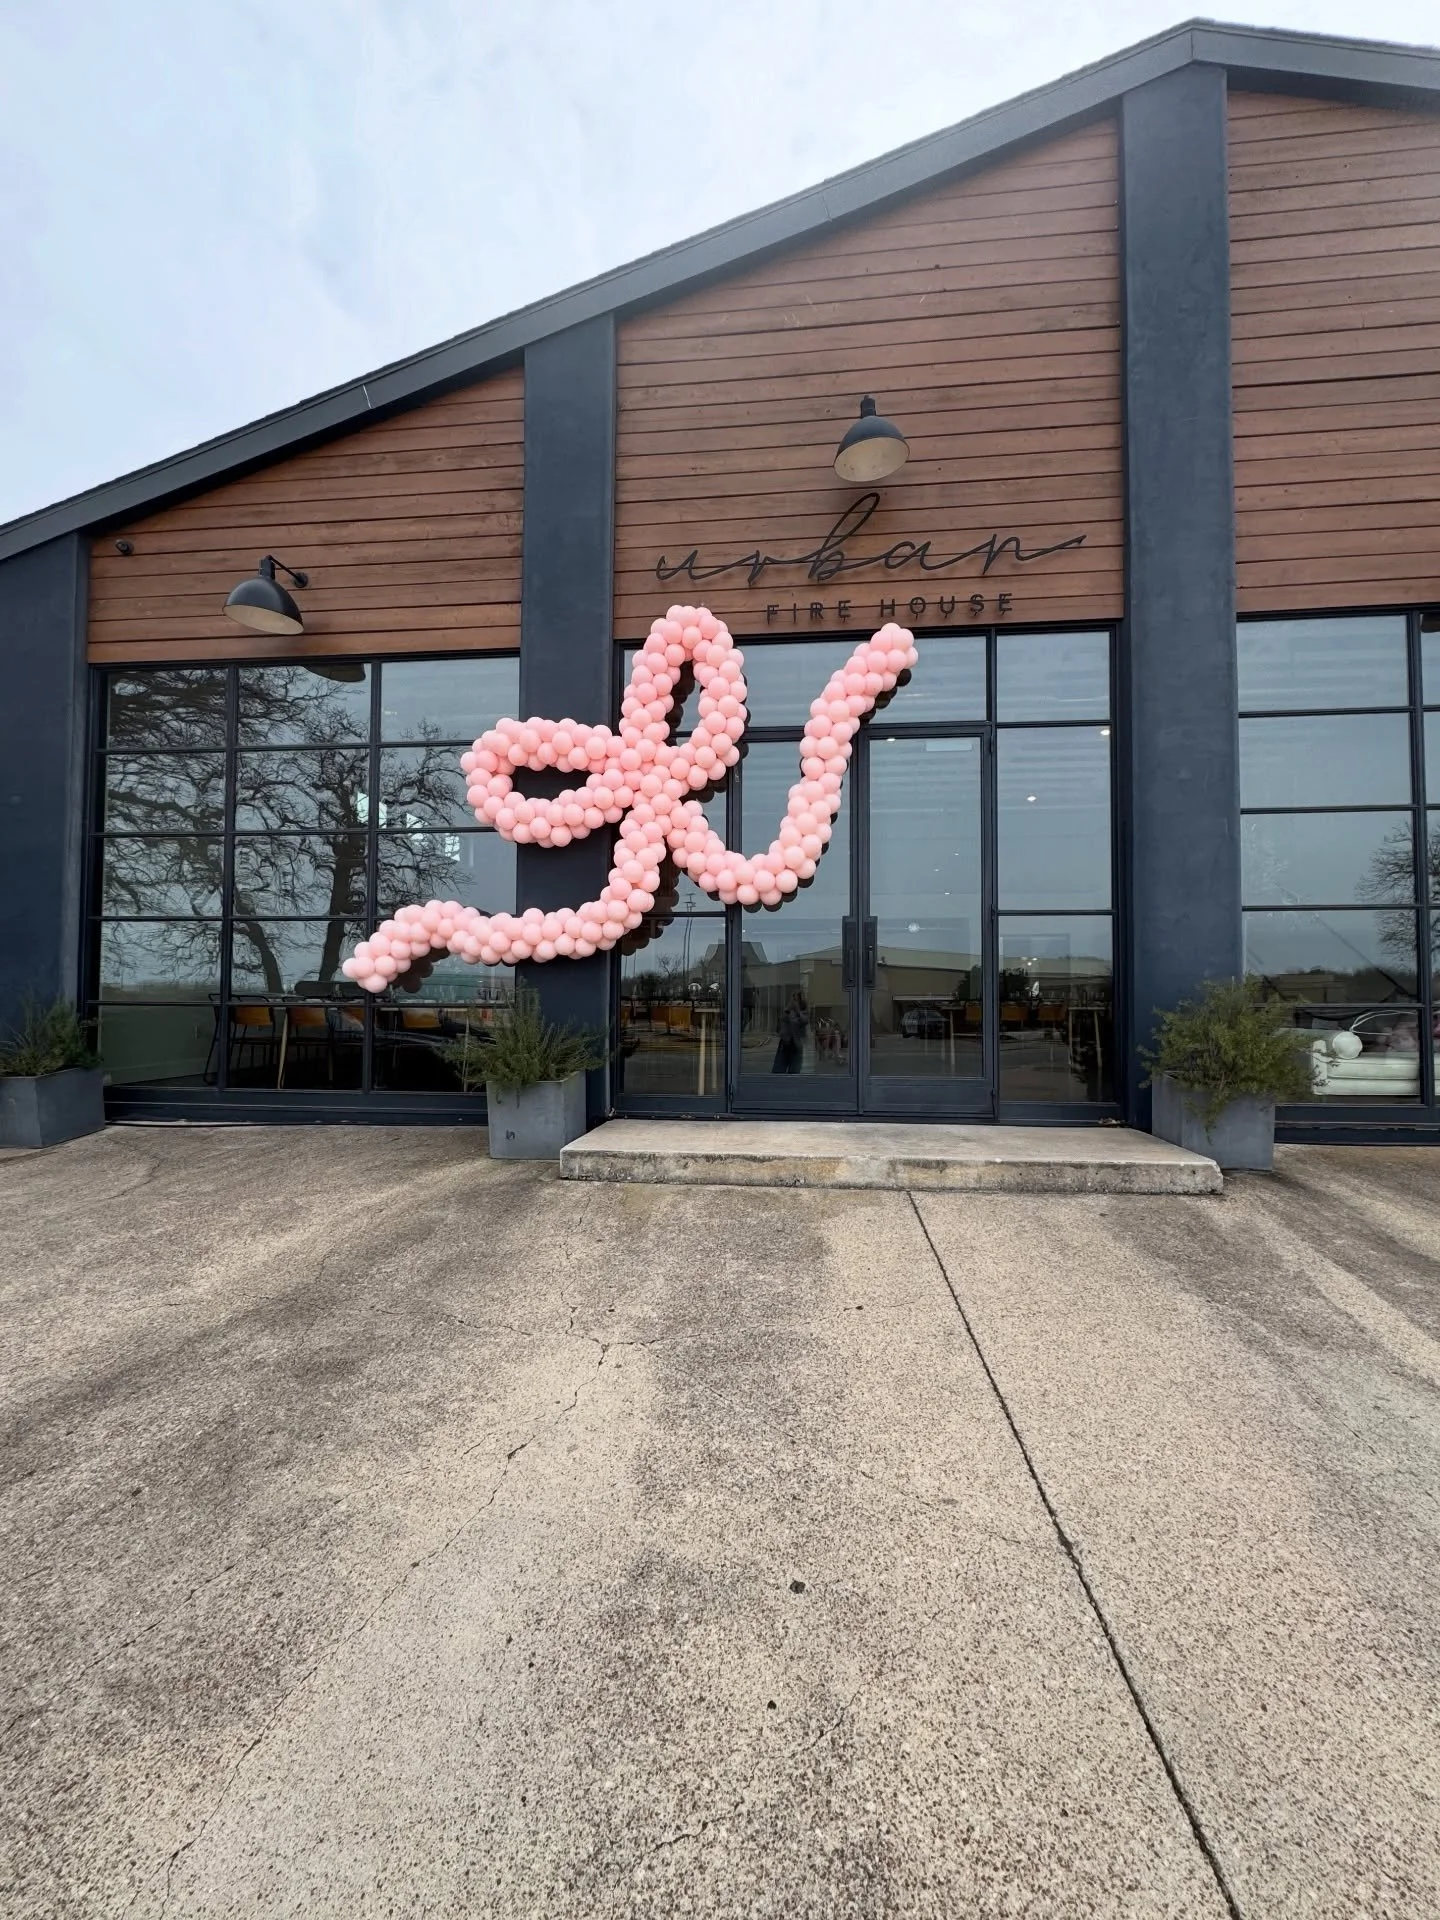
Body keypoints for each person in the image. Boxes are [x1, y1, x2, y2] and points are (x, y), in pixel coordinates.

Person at [772, 991, 808, 1074]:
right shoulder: (787, 1011)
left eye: (796, 999)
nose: (793, 1002)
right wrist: (787, 1011)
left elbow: (805, 1021)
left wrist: (797, 1011)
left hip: (796, 1047)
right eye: (793, 999)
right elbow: (780, 1025)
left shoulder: (803, 1013)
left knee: (794, 1073)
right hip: (784, 1045)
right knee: (778, 1071)